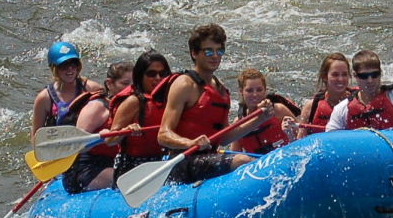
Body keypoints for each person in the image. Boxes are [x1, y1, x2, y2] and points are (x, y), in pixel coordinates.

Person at [153, 23, 271, 184]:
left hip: (210, 157)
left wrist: (260, 119)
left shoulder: (221, 90)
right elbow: (163, 135)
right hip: (183, 162)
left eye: (219, 51)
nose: (215, 56)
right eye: (208, 51)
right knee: (242, 161)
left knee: (253, 162)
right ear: (194, 53)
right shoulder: (185, 85)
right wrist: (190, 143)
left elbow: (223, 138)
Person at [325, 50, 393, 133]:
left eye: (375, 75)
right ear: (355, 76)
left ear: (380, 73)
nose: (370, 80)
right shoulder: (342, 109)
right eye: (364, 76)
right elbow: (330, 140)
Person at [62, 61, 133, 193]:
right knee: (132, 180)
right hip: (85, 169)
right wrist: (100, 138)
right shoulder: (96, 107)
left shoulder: (131, 107)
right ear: (109, 84)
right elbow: (75, 145)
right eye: (125, 84)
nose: (130, 89)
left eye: (134, 85)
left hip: (114, 163)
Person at [109, 49, 171, 180]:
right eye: (151, 74)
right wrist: (125, 130)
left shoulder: (169, 100)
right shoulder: (133, 101)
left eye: (163, 74)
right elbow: (110, 140)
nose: (158, 78)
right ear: (140, 76)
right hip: (132, 166)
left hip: (159, 161)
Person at [30, 40, 104, 138]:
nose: (70, 69)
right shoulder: (44, 98)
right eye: (64, 65)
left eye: (73, 63)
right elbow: (36, 136)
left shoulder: (92, 88)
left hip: (88, 145)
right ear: (54, 68)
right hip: (61, 146)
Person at [231, 69, 300, 155]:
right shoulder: (238, 123)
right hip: (258, 165)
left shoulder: (278, 110)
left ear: (265, 90)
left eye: (259, 90)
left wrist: (291, 133)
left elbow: (302, 137)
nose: (255, 94)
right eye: (249, 90)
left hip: (285, 157)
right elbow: (233, 156)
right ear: (241, 92)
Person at [300, 53, 353, 130]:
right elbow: (301, 140)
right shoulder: (311, 107)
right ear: (324, 77)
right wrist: (289, 133)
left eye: (344, 74)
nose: (341, 79)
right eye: (335, 75)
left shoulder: (358, 101)